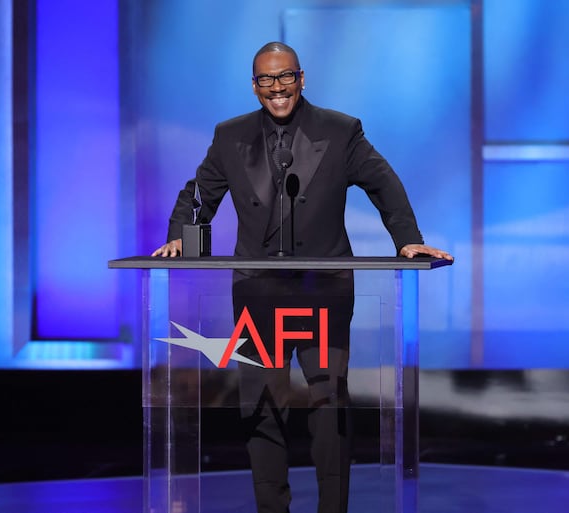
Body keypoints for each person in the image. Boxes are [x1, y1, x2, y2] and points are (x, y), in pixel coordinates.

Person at [153, 41, 453, 513]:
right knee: (262, 407)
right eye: (267, 80)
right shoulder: (230, 136)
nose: (277, 88)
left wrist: (407, 240)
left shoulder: (340, 131)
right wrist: (178, 237)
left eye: (286, 77)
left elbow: (384, 183)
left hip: (323, 290)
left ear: (301, 78)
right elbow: (198, 195)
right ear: (254, 86)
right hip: (258, 293)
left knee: (328, 406)